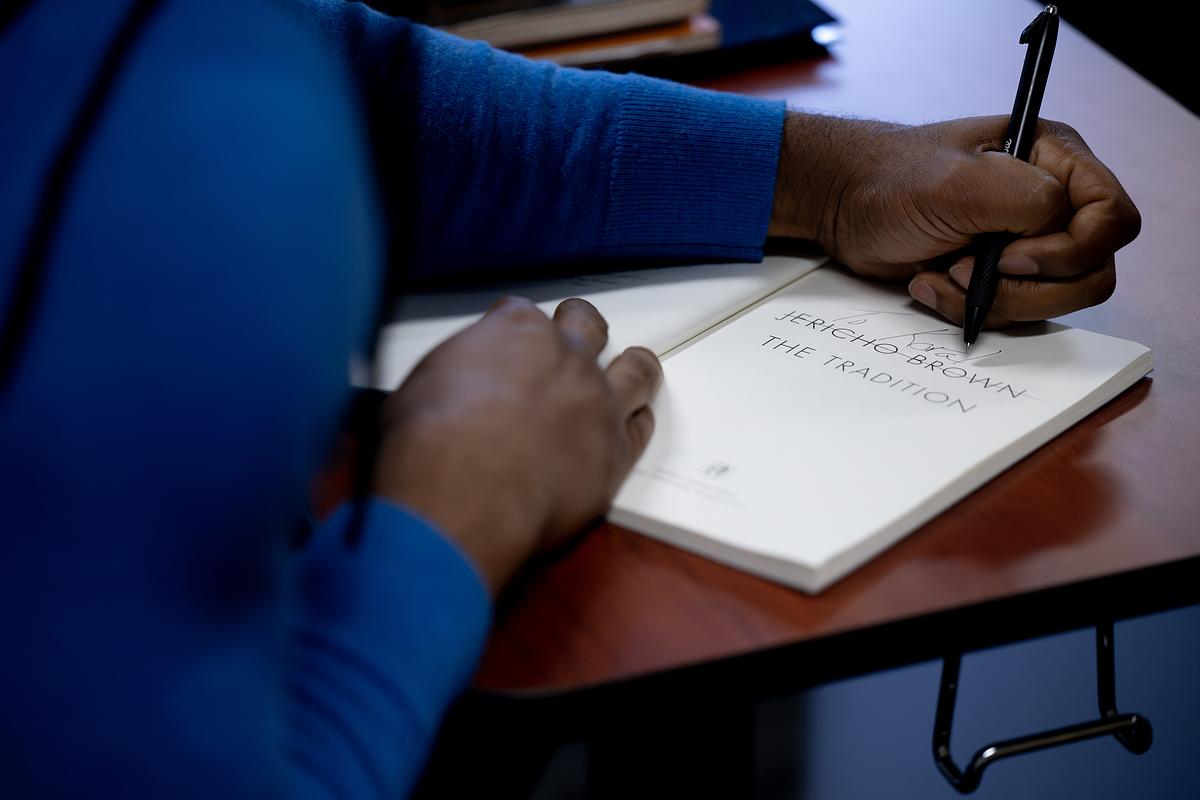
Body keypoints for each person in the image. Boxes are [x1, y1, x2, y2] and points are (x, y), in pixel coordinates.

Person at [0, 0, 1139, 797]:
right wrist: (443, 528)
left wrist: (828, 177)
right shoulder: (122, 151)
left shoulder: (178, 63)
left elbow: (368, 94)